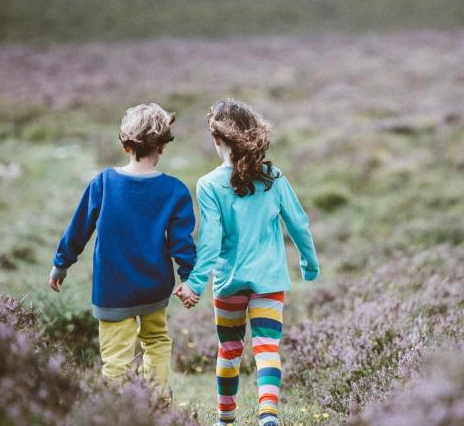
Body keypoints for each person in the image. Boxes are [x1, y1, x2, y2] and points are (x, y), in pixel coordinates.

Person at [176, 99, 319, 426]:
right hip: (270, 281)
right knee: (267, 347)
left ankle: (226, 420)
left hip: (229, 282)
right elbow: (298, 223)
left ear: (217, 140)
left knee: (229, 349)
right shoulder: (274, 176)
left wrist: (196, 283)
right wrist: (309, 263)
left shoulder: (209, 185)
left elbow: (210, 243)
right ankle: (268, 417)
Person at [49, 102, 196, 393]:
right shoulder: (175, 190)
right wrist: (189, 278)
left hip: (112, 290)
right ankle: (158, 406)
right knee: (156, 341)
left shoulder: (103, 183)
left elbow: (79, 228)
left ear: (124, 143)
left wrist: (61, 263)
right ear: (163, 147)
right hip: (155, 287)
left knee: (116, 359)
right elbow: (182, 243)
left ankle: (120, 411)